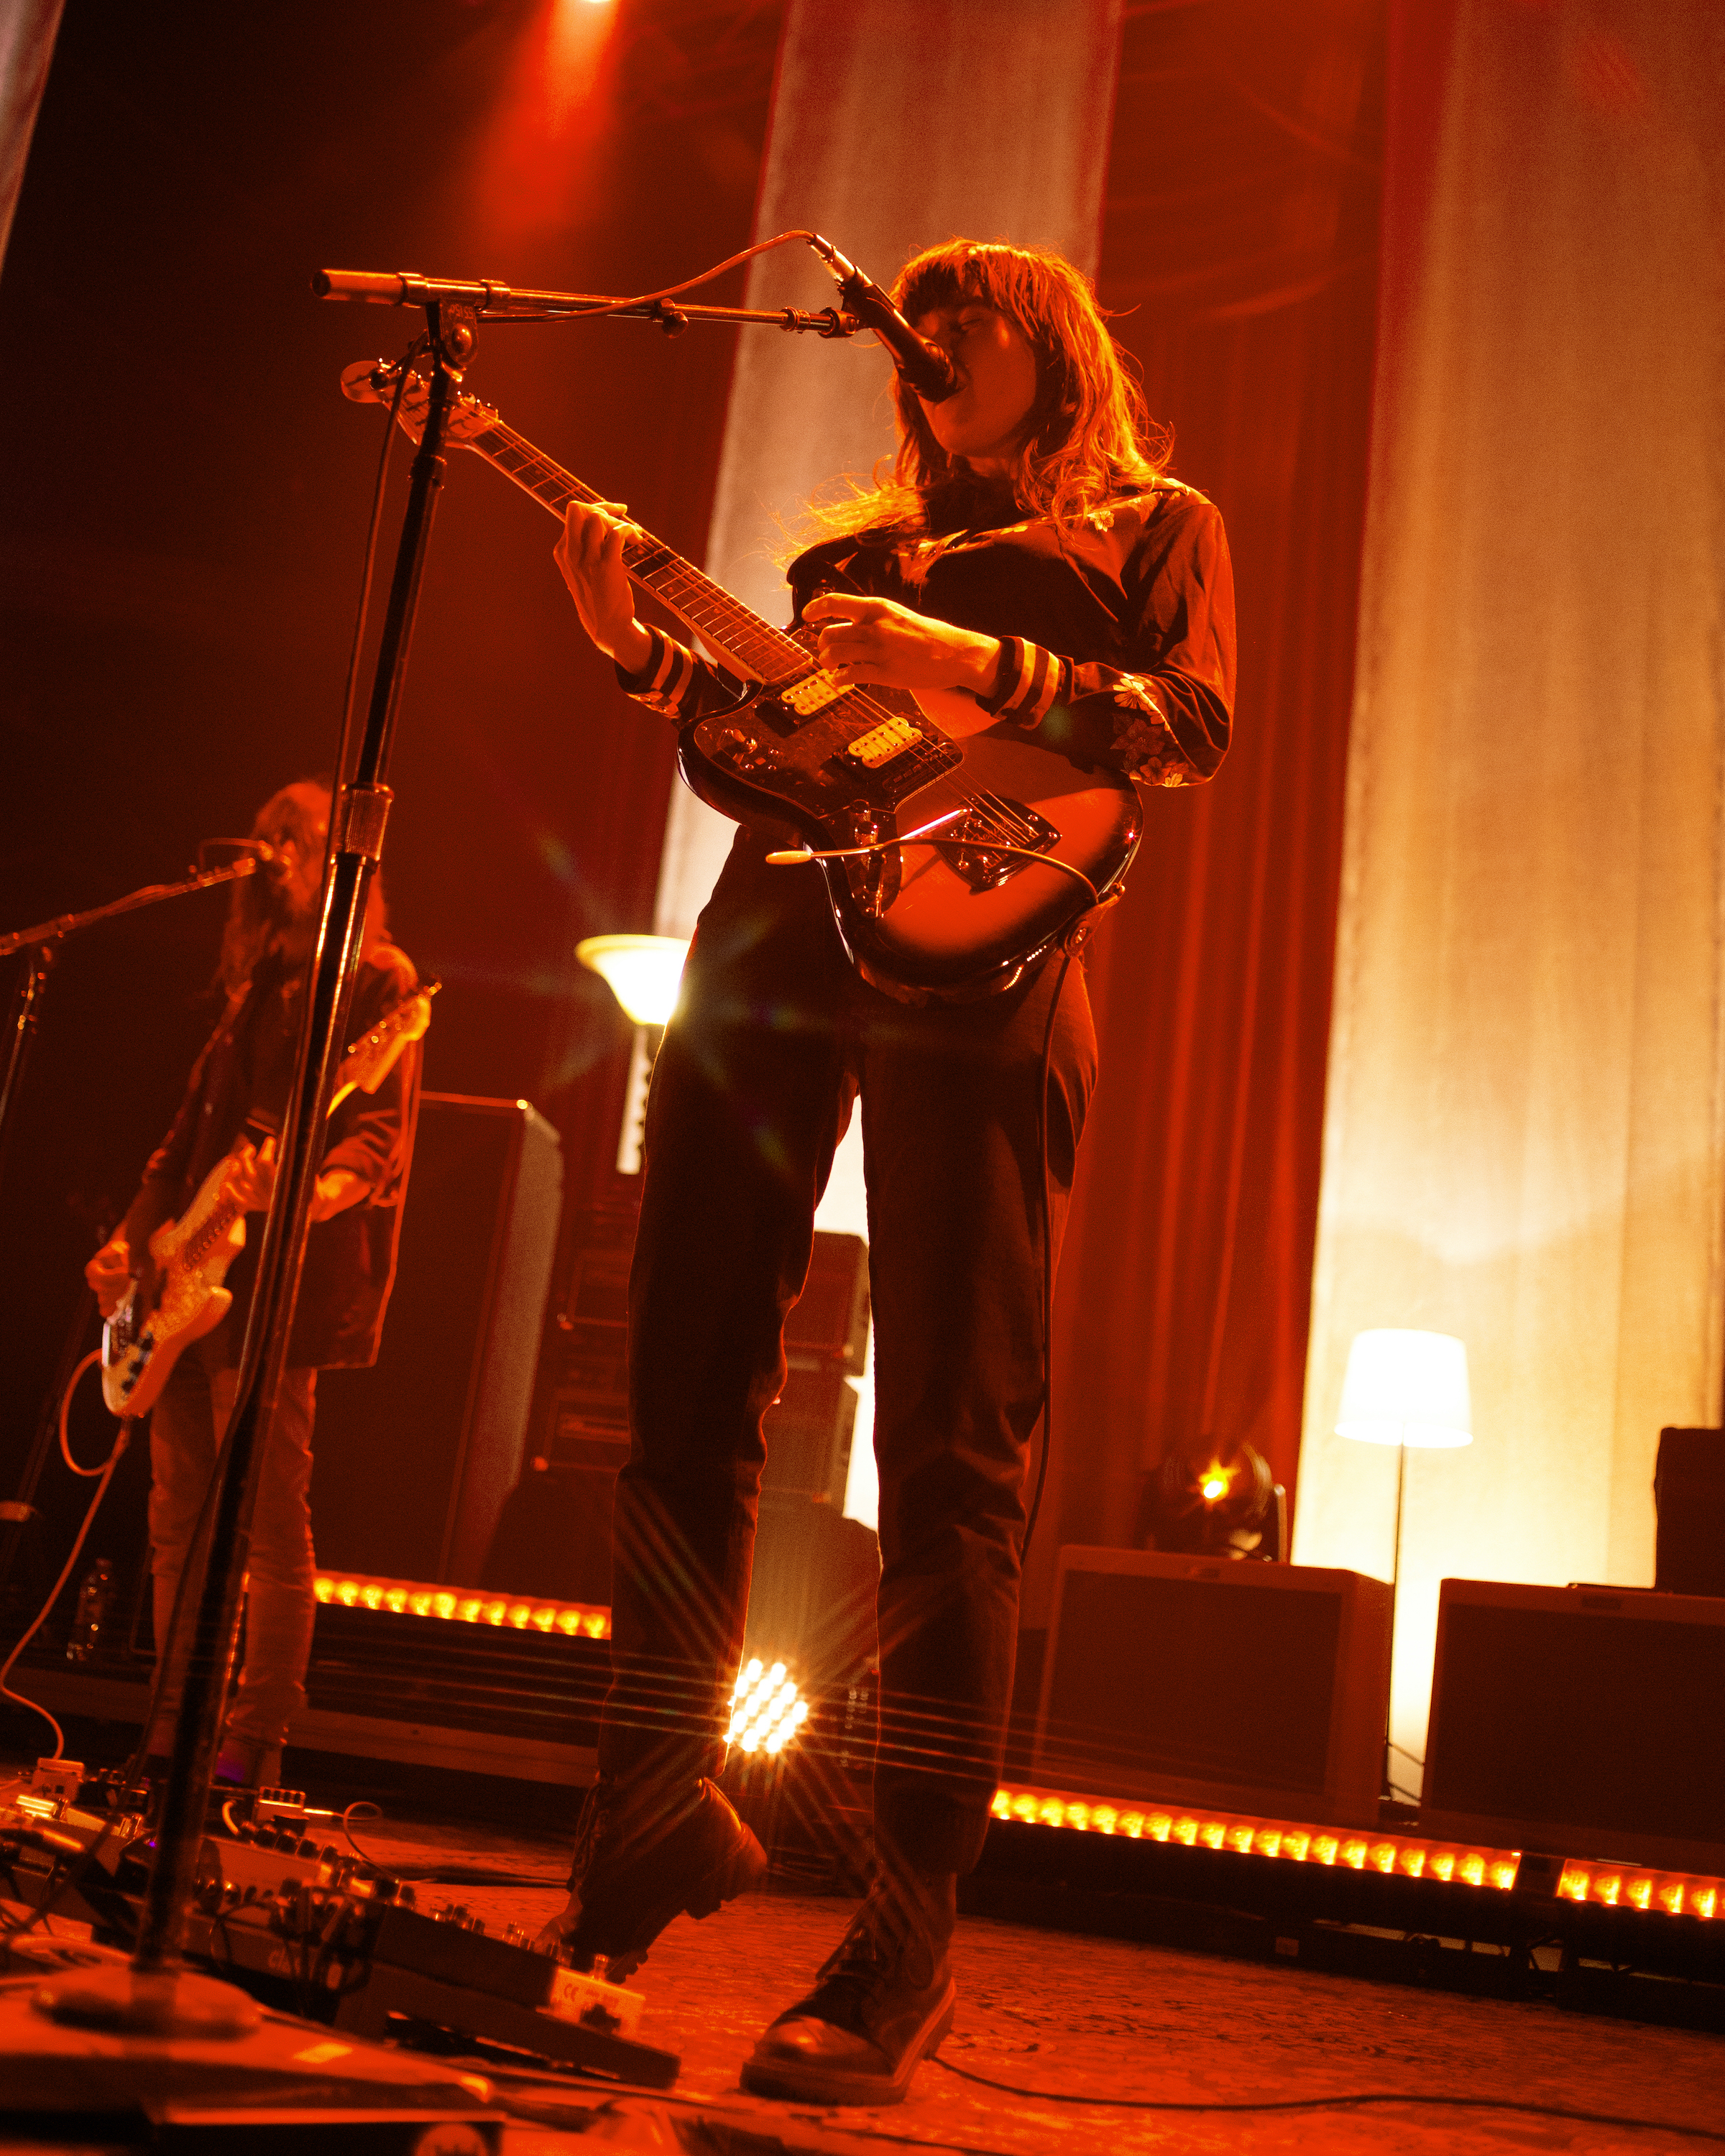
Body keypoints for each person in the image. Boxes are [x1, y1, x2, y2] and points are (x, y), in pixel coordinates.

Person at [546, 239, 1235, 2105]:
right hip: (769, 939)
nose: (930, 340)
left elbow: (1188, 725)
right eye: (914, 326)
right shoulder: (839, 564)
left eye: (967, 311)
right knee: (678, 1390)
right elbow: (753, 760)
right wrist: (641, 662)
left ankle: (904, 1923)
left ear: (1049, 344)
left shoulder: (1153, 525)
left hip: (988, 956)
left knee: (948, 1439)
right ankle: (642, 1829)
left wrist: (973, 657)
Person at [84, 780, 422, 1791]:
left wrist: (306, 1193)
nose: (273, 850)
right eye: (266, 835)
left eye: (295, 836)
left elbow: (378, 1139)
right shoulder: (256, 984)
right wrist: (126, 1243)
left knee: (268, 1520)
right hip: (181, 1292)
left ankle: (251, 1746)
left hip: (283, 1290)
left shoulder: (381, 983)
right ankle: (167, 1736)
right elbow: (183, 1144)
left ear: (341, 856)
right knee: (176, 1518)